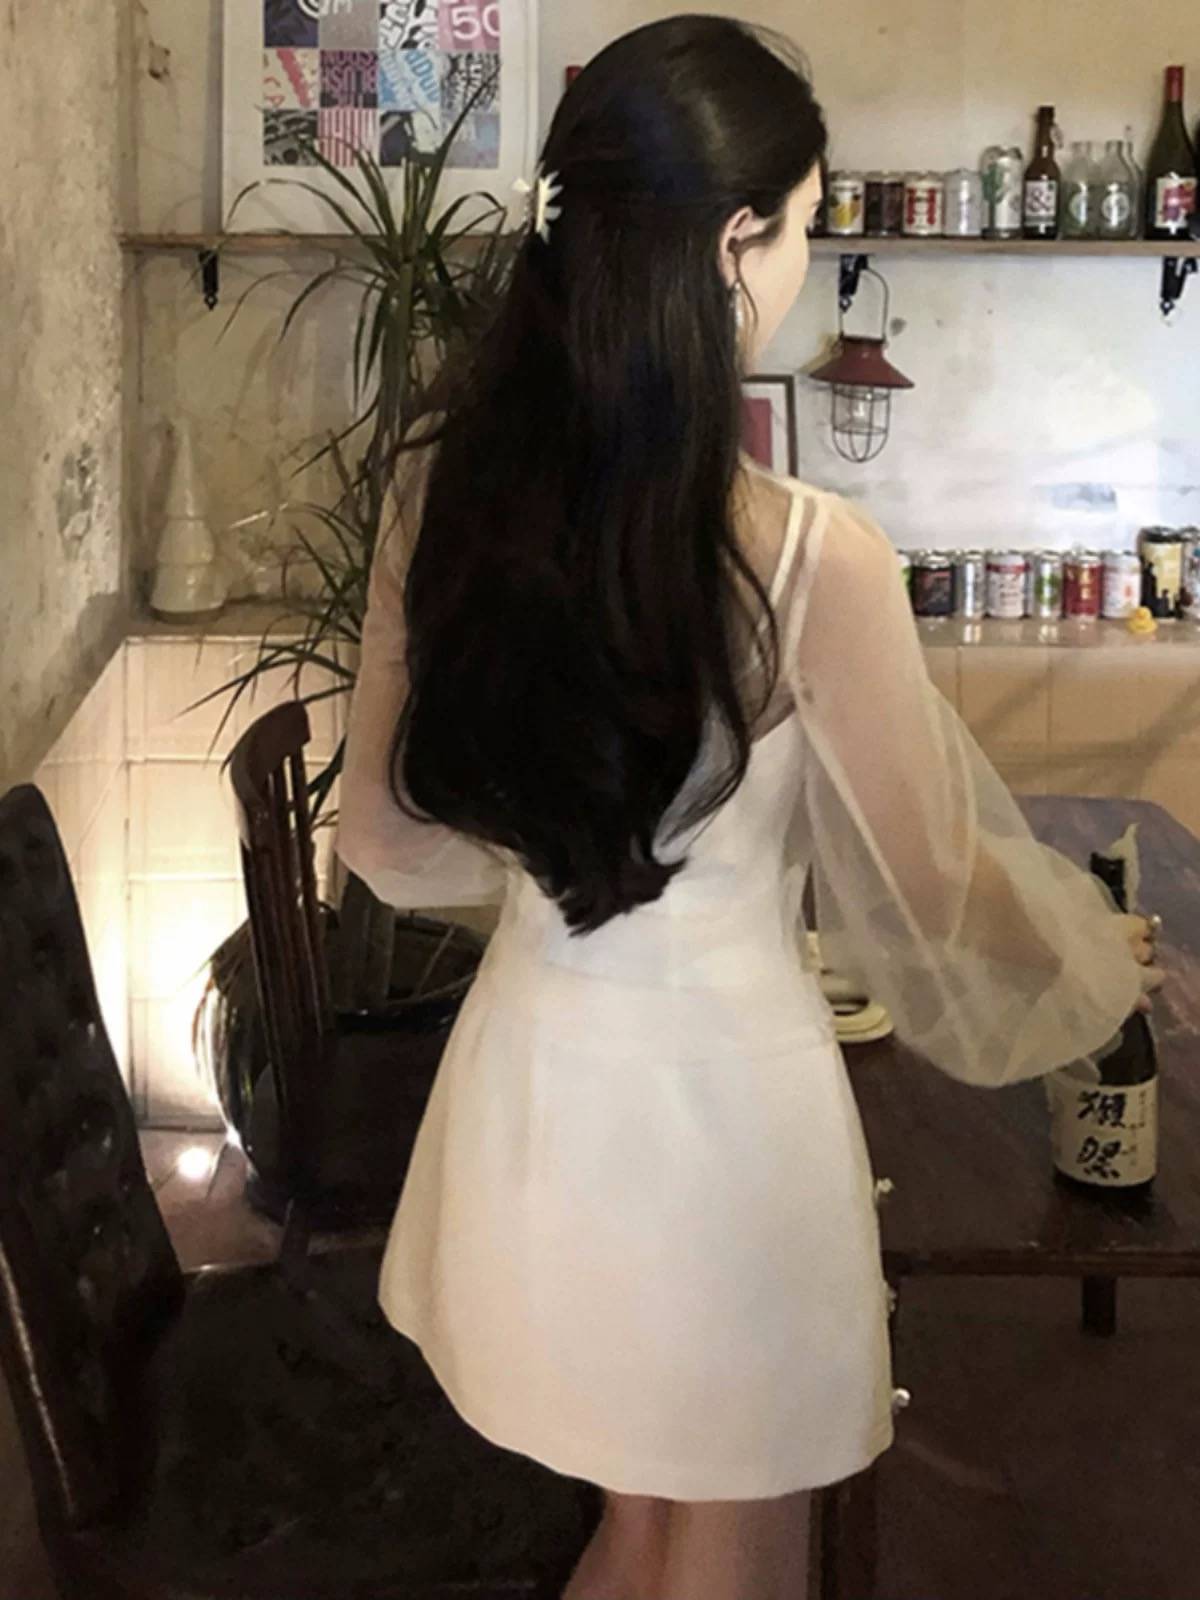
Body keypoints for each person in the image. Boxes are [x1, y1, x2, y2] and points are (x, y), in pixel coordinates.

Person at [332, 16, 1165, 1600]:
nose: (801, 261)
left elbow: (378, 842)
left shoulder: (445, 487)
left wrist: (564, 859)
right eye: (802, 224)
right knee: (723, 1553)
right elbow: (932, 892)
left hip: (532, 1100)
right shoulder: (807, 558)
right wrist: (1099, 949)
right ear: (733, 244)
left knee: (635, 1527)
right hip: (720, 1145)